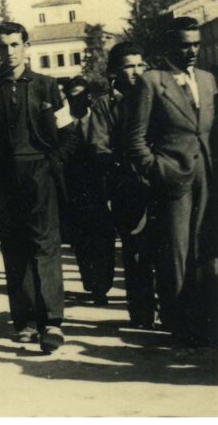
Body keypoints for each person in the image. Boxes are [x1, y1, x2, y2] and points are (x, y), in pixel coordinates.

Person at [0, 21, 78, 354]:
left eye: (15, 44)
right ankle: (26, 320)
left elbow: (69, 135)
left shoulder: (47, 86)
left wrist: (51, 165)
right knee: (14, 250)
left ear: (26, 46)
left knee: (45, 248)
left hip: (39, 176)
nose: (9, 52)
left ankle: (52, 322)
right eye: (3, 46)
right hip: (3, 180)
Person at [126, 16, 218, 347]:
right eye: (184, 44)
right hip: (172, 177)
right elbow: (134, 139)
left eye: (196, 43)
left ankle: (207, 321)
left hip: (207, 176)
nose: (192, 50)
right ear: (169, 45)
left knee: (205, 250)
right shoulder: (153, 81)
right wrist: (156, 169)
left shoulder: (208, 80)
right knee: (177, 254)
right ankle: (182, 326)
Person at [89, 42, 154, 327]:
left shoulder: (156, 96)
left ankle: (173, 309)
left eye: (141, 65)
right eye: (129, 66)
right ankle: (141, 312)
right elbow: (98, 145)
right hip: (127, 185)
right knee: (136, 250)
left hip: (160, 180)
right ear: (115, 71)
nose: (136, 71)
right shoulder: (106, 105)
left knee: (167, 246)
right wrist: (118, 170)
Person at [63, 77, 116, 306]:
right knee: (82, 241)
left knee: (104, 239)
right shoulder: (63, 124)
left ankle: (103, 285)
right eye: (73, 95)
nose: (78, 100)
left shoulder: (99, 119)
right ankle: (92, 284)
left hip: (100, 188)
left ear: (89, 96)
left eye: (82, 94)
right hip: (74, 191)